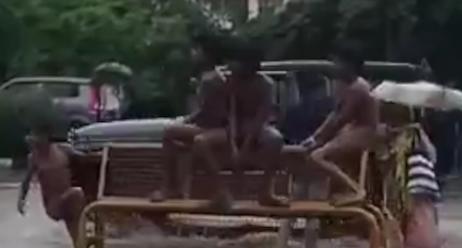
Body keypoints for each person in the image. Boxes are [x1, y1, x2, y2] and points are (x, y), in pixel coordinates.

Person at [152, 40, 287, 209]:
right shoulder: (230, 81)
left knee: (276, 139)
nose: (231, 65)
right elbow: (230, 114)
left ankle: (265, 191)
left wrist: (244, 147)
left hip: (254, 127)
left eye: (236, 62)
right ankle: (212, 190)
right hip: (232, 128)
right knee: (177, 134)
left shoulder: (266, 84)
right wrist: (233, 146)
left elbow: (260, 118)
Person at [299, 47, 379, 207]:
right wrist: (315, 136)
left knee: (318, 156)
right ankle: (326, 193)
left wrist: (320, 140)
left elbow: (342, 117)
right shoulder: (342, 84)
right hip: (351, 128)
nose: (334, 66)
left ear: (350, 65)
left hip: (364, 131)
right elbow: (334, 114)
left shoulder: (359, 87)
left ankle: (357, 190)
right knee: (311, 153)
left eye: (338, 63)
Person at [17, 121, 87, 248]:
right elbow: (26, 181)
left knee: (75, 230)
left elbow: (85, 158)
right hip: (53, 205)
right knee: (77, 193)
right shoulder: (34, 158)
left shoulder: (63, 150)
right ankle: (84, 238)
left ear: (46, 137)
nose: (35, 140)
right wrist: (21, 201)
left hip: (69, 200)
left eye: (38, 136)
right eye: (33, 136)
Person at [402, 124, 441, 248]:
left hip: (417, 188)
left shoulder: (407, 152)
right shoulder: (428, 154)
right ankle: (428, 247)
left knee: (416, 218)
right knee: (426, 217)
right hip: (430, 189)